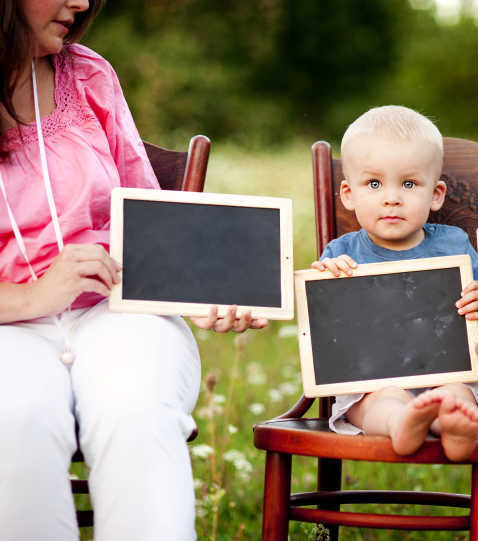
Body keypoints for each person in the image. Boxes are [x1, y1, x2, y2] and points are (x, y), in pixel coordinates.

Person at [0, 1, 264, 540]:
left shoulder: (90, 74)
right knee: (15, 421)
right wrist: (35, 297)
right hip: (8, 324)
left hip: (119, 312)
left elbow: (150, 223)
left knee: (135, 408)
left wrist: (206, 292)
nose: (81, 2)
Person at [311, 105, 478, 462]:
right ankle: (402, 423)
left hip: (448, 371)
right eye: (374, 184)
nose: (392, 197)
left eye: (409, 184)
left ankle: (455, 426)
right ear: (349, 194)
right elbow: (324, 330)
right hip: (373, 380)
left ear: (436, 194)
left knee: (457, 394)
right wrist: (325, 284)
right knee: (379, 401)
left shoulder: (454, 245)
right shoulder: (342, 254)